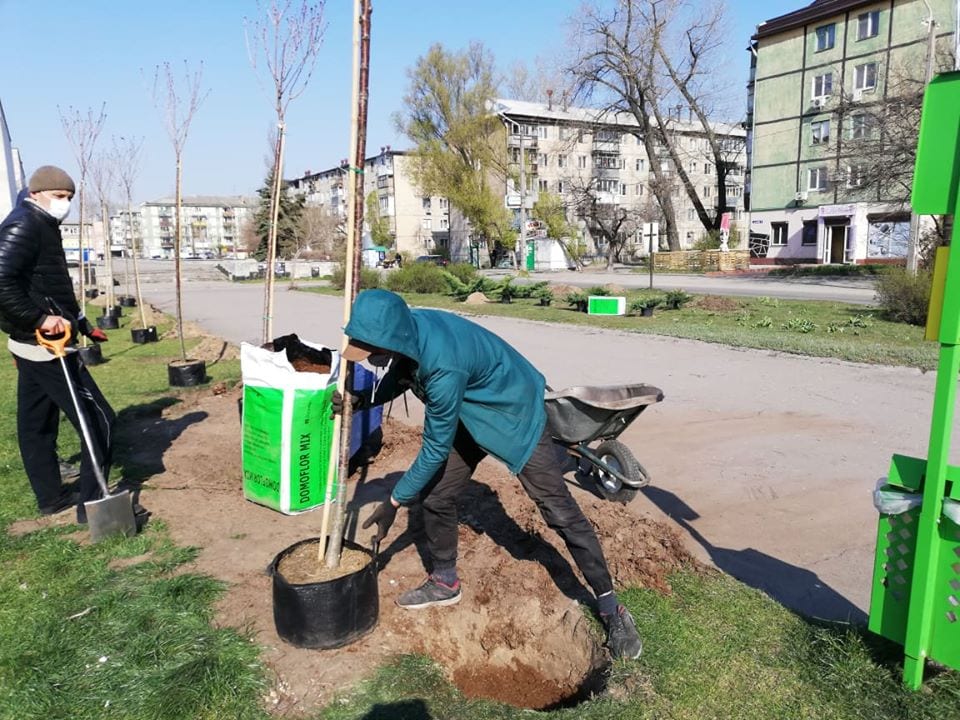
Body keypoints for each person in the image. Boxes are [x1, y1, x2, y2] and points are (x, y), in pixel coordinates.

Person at [335, 288, 643, 659]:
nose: (371, 357)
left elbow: (433, 449)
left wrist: (394, 500)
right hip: (470, 408)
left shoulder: (443, 366)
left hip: (514, 413)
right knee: (437, 496)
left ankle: (612, 608)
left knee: (558, 512)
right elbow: (401, 373)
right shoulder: (411, 331)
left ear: (394, 339)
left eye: (373, 350)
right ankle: (445, 581)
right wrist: (363, 400)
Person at [0, 165, 114, 523]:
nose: (65, 204)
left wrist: (81, 322)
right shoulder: (25, 224)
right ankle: (94, 507)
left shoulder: (42, 224)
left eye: (69, 198)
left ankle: (51, 498)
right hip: (46, 343)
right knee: (100, 420)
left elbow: (51, 285)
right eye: (59, 197)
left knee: (37, 424)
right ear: (36, 194)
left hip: (32, 344)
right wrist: (39, 320)